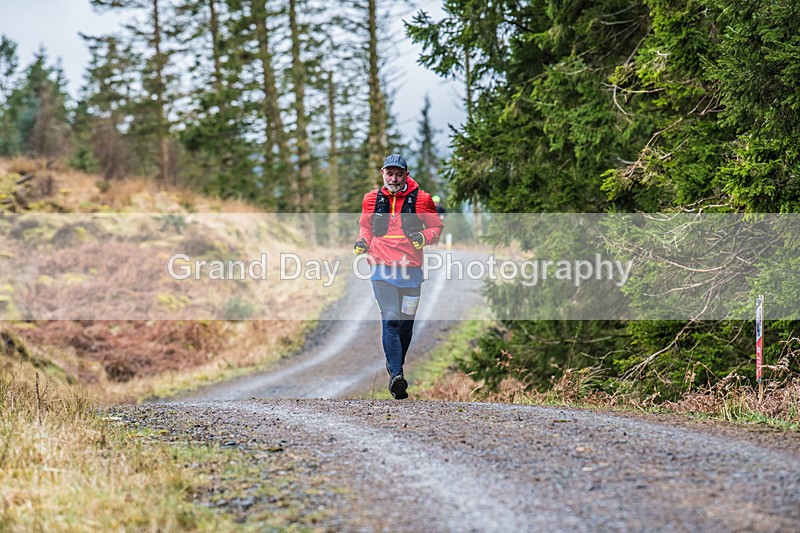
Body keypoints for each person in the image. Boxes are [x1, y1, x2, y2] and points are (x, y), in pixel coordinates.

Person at [354, 154, 444, 399]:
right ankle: (397, 375)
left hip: (411, 270)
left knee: (406, 325)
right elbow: (366, 227)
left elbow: (436, 228)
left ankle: (394, 365)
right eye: (390, 174)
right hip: (381, 267)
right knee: (391, 319)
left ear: (406, 175)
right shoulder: (371, 199)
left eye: (399, 174)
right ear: (383, 173)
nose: (394, 179)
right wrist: (363, 241)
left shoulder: (422, 199)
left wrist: (424, 237)